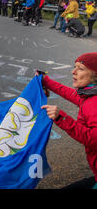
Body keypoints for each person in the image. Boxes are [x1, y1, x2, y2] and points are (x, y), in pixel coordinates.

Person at [40, 52, 97, 189]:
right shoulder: (90, 94)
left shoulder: (94, 102)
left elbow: (94, 140)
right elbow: (69, 93)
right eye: (74, 67)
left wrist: (61, 117)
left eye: (81, 69)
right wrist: (46, 81)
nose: (73, 72)